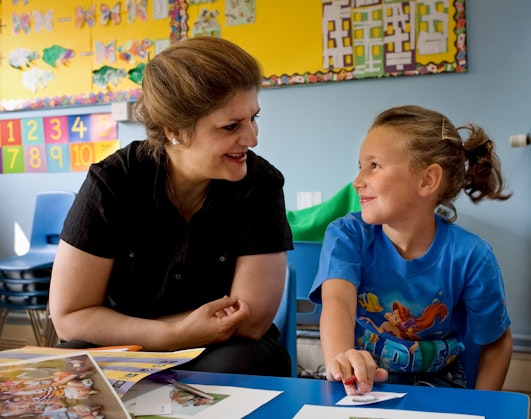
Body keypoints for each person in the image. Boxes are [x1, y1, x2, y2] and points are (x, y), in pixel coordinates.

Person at [49, 36, 293, 377]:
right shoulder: (113, 182)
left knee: (240, 364)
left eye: (253, 118)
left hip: (225, 347)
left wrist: (164, 332)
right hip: (126, 346)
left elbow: (249, 323)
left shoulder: (261, 185)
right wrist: (173, 335)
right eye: (231, 126)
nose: (252, 138)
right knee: (72, 365)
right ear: (175, 130)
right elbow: (70, 318)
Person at [309, 105, 513, 394]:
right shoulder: (346, 235)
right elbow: (338, 301)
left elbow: (496, 341)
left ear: (427, 180)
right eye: (360, 166)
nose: (357, 181)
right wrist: (342, 357)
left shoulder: (473, 256)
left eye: (374, 165)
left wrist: (483, 406)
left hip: (442, 389)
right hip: (363, 385)